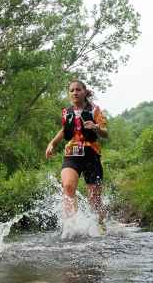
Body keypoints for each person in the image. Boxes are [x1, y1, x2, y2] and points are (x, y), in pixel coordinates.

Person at [45, 80, 108, 231]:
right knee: (67, 186)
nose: (75, 92)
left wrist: (96, 127)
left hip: (91, 154)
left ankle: (101, 225)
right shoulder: (67, 112)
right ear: (69, 93)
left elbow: (105, 133)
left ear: (85, 92)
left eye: (78, 89)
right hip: (72, 153)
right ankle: (72, 227)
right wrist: (52, 144)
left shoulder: (95, 110)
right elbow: (63, 131)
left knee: (94, 199)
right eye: (72, 90)